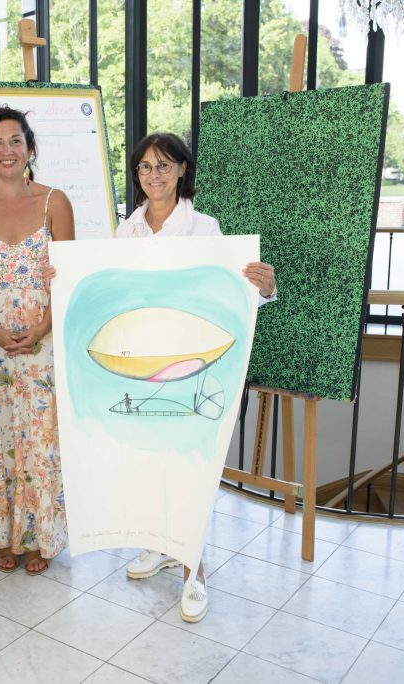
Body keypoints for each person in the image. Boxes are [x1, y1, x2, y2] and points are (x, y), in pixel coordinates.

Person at [116, 132, 276, 624]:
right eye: (145, 167)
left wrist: (266, 287)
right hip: (146, 363)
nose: (154, 175)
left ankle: (194, 571)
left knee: (189, 468)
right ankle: (161, 545)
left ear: (183, 169)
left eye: (164, 165)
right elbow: (116, 289)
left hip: (190, 365)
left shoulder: (205, 228)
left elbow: (230, 292)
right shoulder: (127, 230)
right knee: (150, 462)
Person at [0, 107, 75, 576]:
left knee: (39, 433)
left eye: (16, 141)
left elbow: (69, 273)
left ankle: (39, 534)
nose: (7, 150)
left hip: (43, 335)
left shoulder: (55, 203)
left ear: (30, 149)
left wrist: (42, 328)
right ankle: (1, 534)